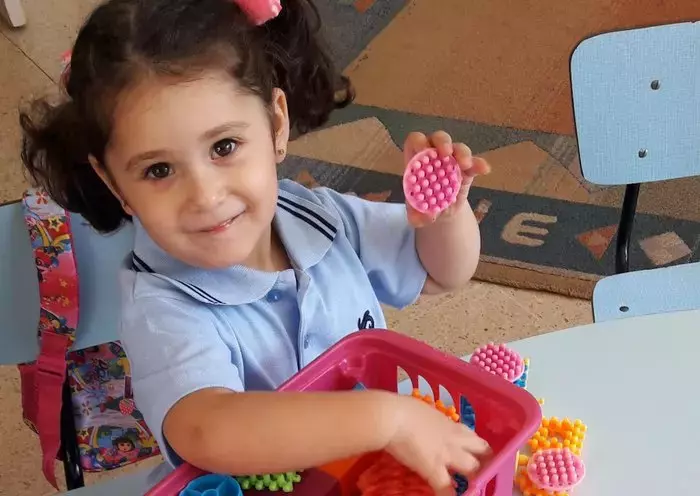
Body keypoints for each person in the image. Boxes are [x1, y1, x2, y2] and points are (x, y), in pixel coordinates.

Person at [19, 0, 491, 493]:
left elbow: (442, 273)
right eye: (158, 170)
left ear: (275, 124)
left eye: (224, 147)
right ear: (114, 183)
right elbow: (207, 430)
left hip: (369, 472)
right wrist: (386, 419)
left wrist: (446, 216)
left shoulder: (320, 217)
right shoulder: (162, 304)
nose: (205, 196)